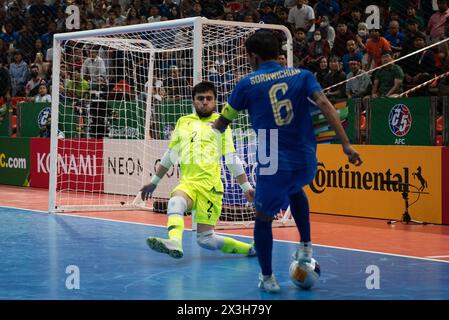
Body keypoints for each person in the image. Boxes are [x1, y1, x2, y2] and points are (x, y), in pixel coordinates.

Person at [212, 31, 362, 293]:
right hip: (305, 158)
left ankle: (268, 277)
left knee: (263, 217)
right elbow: (326, 104)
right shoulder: (302, 75)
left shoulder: (246, 83)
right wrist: (346, 144)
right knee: (296, 189)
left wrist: (205, 139)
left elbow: (221, 124)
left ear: (254, 56)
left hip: (272, 156)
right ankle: (305, 245)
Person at [140, 81, 256, 259]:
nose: (204, 102)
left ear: (215, 101)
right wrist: (154, 182)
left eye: (209, 98)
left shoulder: (221, 124)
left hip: (210, 188)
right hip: (188, 184)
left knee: (205, 240)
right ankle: (175, 242)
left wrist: (246, 187)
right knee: (175, 202)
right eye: (200, 98)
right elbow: (171, 155)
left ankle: (249, 249)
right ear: (193, 101)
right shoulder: (183, 122)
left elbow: (232, 158)